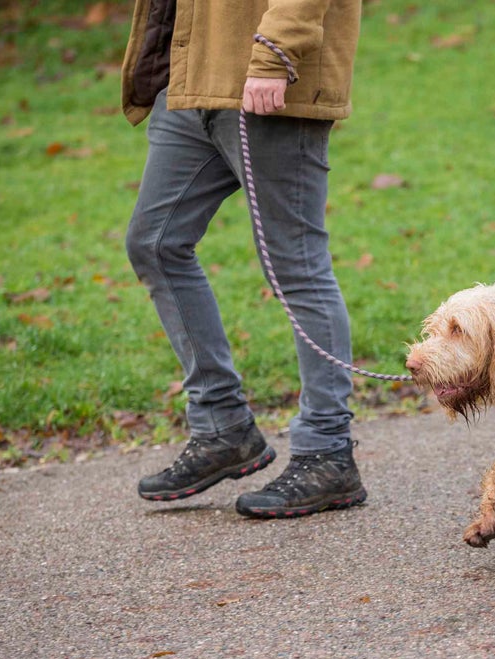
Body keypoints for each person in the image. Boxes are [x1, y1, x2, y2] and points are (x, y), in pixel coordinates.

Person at [119, 0, 366, 518]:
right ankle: (222, 427)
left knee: (296, 265)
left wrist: (275, 55)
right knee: (155, 244)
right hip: (192, 81)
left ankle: (327, 452)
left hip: (267, 82)